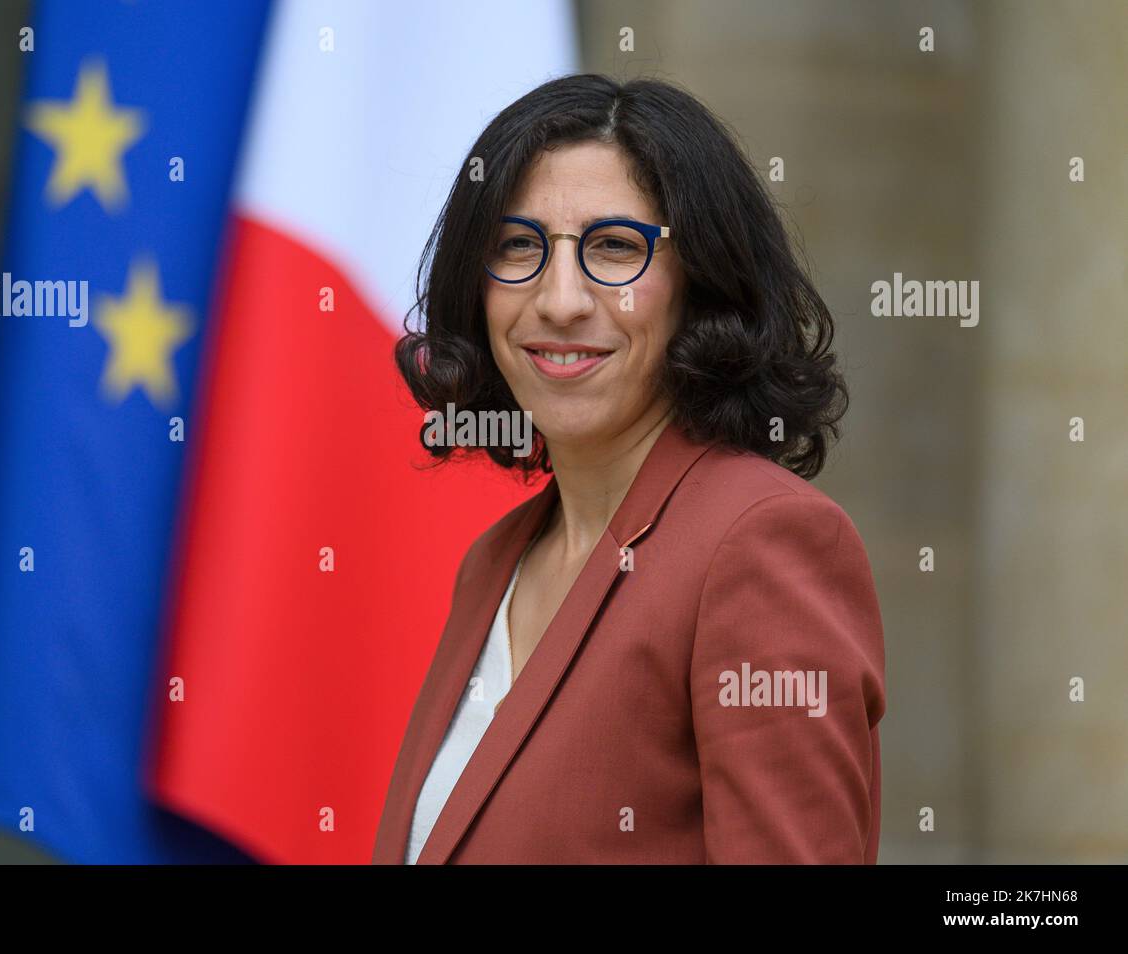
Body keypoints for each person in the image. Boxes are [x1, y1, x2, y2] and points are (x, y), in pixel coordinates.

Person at [371, 73, 886, 864]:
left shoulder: (761, 544)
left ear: (699, 284)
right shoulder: (494, 562)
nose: (561, 299)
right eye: (518, 246)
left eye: (615, 247)